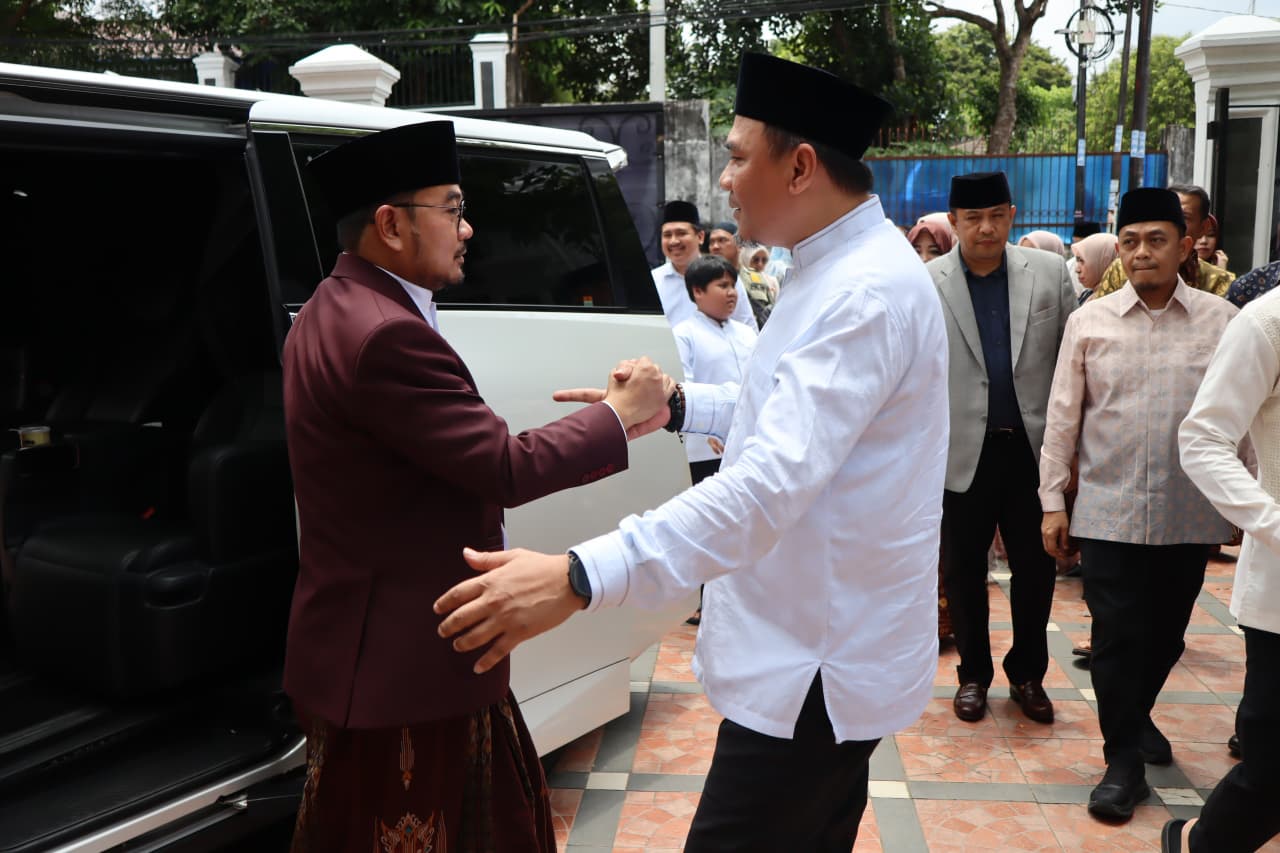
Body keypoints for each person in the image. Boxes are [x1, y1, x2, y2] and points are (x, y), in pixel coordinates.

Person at [433, 52, 949, 851]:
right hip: (817, 646)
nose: (725, 180)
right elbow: (797, 421)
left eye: (738, 157)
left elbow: (767, 484)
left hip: (815, 665)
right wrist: (679, 407)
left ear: (800, 167)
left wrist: (578, 574)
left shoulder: (862, 293)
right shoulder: (832, 269)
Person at [280, 120, 671, 852]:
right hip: (407, 668)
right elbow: (503, 466)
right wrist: (620, 414)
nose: (468, 229)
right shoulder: (385, 333)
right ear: (391, 225)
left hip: (368, 650)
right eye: (453, 209)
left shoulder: (330, 308)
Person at [1040, 187, 1239, 822]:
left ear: (1186, 247)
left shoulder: (1222, 321)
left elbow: (1240, 414)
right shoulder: (1089, 322)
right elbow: (1063, 418)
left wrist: (1246, 501)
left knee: (1167, 636)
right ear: (1119, 251)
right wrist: (1052, 501)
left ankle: (1135, 714)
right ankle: (1122, 761)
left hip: (1189, 510)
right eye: (1130, 242)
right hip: (1108, 509)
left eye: (1157, 240)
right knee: (1115, 637)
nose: (1142, 252)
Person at [929, 171, 1076, 726]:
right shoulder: (927, 282)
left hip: (1032, 453)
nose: (986, 228)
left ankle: (1027, 674)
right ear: (954, 222)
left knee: (1036, 569)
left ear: (1012, 215)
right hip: (960, 452)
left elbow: (1071, 363)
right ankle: (973, 675)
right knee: (963, 569)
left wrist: (1070, 454)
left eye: (996, 216)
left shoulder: (1049, 273)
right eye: (973, 219)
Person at [1174, 288, 1280, 853]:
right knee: (1271, 773)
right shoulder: (1268, 321)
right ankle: (1199, 841)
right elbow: (1204, 439)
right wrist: (1274, 523)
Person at [672, 254, 757, 484]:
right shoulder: (684, 334)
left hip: (750, 442)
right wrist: (706, 430)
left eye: (733, 286)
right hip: (708, 450)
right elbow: (684, 386)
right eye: (723, 285)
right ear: (698, 291)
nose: (732, 292)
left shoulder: (747, 333)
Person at [1089, 184, 1235, 300]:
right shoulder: (1121, 270)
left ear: (1203, 227)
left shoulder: (1218, 281)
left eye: (1184, 217)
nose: (1142, 253)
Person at [652, 200, 758, 331]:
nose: (674, 241)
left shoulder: (725, 276)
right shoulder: (655, 280)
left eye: (681, 233)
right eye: (667, 235)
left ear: (700, 237)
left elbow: (748, 328)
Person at [1071, 231, 1118, 304]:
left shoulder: (1109, 304)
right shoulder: (1088, 293)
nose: (1077, 270)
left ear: (1104, 262)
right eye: (1078, 260)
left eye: (1082, 261)